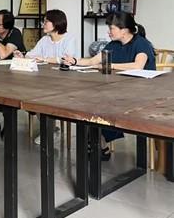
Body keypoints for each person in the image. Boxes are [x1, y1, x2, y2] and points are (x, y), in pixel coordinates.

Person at [63, 11, 155, 159]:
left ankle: (98, 144)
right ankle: (99, 144)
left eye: (112, 28)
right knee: (91, 102)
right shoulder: (114, 44)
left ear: (124, 30)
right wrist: (74, 61)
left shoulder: (141, 43)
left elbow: (138, 65)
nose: (109, 32)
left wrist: (110, 65)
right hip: (120, 91)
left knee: (102, 104)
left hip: (142, 94)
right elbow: (92, 61)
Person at [19, 10, 78, 144]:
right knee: (31, 96)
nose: (43, 24)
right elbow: (32, 54)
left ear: (56, 23)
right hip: (44, 80)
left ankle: (49, 129)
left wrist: (44, 59)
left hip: (64, 82)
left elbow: (66, 59)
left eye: (46, 22)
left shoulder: (69, 38)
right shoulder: (45, 39)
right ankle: (50, 128)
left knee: (43, 97)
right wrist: (22, 55)